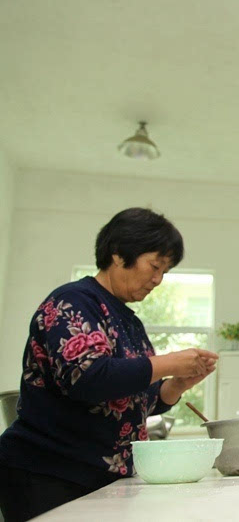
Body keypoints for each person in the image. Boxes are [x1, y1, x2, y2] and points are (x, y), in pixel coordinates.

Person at [0, 208, 218, 521]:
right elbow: (88, 378)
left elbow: (134, 401)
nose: (157, 280)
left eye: (165, 272)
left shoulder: (130, 322)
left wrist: (177, 384)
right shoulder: (73, 301)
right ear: (118, 254)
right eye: (154, 266)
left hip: (100, 477)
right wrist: (169, 362)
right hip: (48, 471)